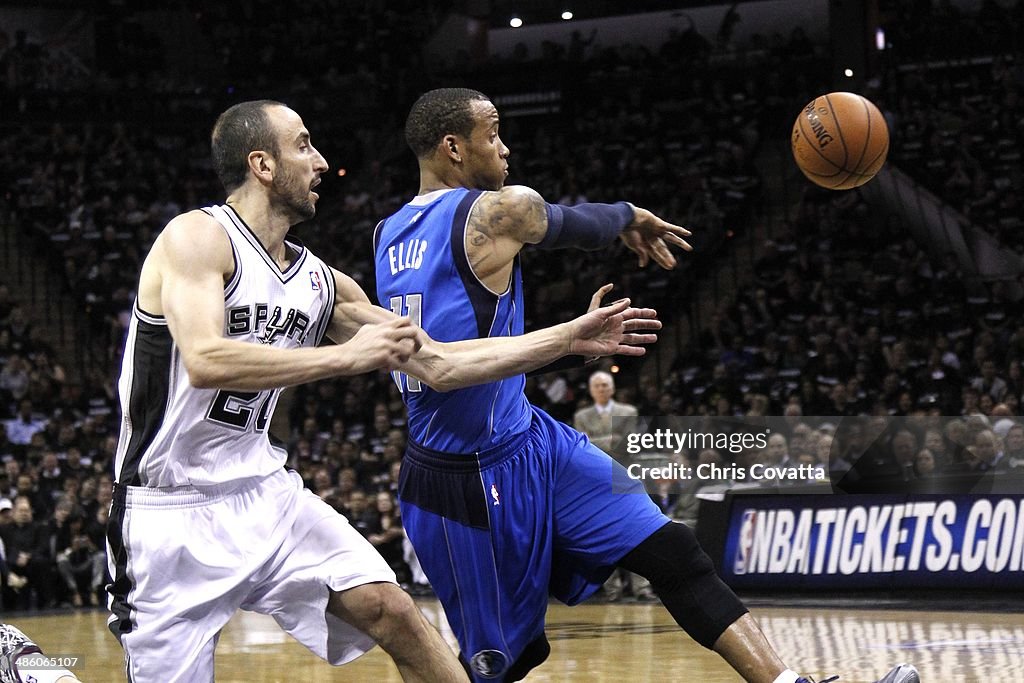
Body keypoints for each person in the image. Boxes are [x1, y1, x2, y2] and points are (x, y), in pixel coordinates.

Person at [374, 87, 919, 683]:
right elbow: (565, 227)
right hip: (461, 480)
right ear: (453, 147)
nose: (505, 147)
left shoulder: (387, 235)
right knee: (505, 662)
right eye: (494, 133)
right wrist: (629, 217)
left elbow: (461, 353)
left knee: (674, 552)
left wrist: (569, 348)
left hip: (532, 441)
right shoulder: (497, 211)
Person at [106, 99, 661, 683]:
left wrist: (566, 339)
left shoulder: (319, 282)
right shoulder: (196, 237)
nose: (320, 161)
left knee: (392, 609)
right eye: (303, 145)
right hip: (168, 513)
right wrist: (345, 356)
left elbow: (439, 362)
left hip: (265, 493)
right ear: (261, 164)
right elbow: (205, 359)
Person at [573, 370, 652, 602]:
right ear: (590, 390)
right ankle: (612, 590)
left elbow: (627, 444)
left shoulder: (629, 412)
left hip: (625, 477)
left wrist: (598, 441)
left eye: (605, 385)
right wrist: (609, 439)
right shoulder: (582, 415)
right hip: (595, 481)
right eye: (597, 386)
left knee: (637, 531)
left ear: (613, 388)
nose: (601, 389)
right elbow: (581, 447)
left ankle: (642, 588)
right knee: (602, 533)